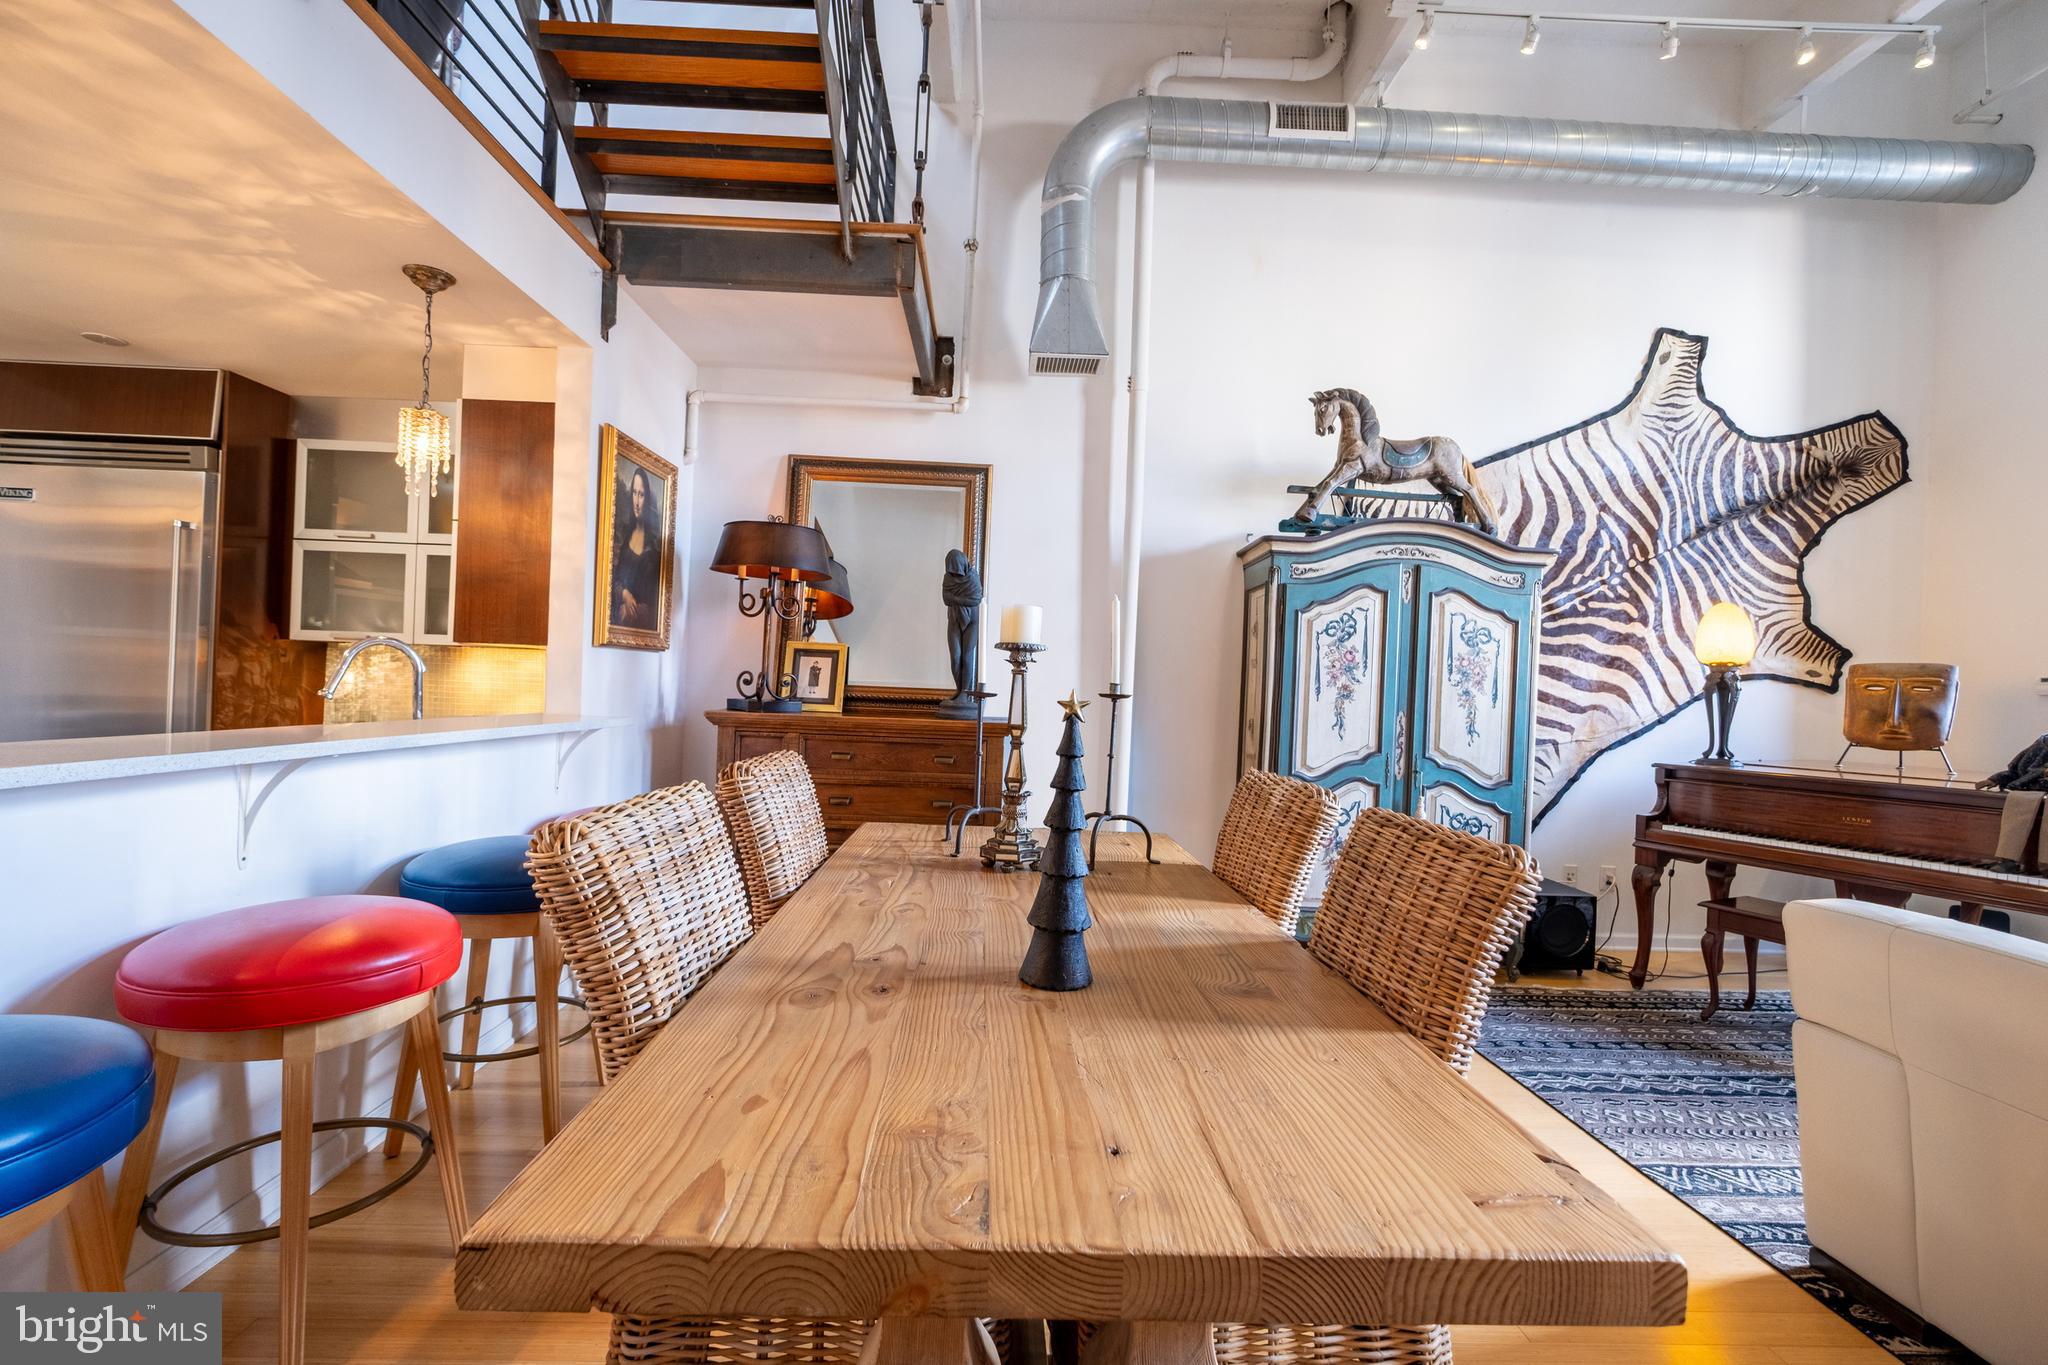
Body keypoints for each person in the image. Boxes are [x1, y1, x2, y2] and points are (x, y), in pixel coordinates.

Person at [611, 466, 662, 629]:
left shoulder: (654, 546)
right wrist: (624, 594)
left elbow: (656, 599)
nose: (637, 502)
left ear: (646, 499)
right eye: (634, 492)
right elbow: (614, 578)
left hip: (641, 624)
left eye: (641, 495)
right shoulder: (624, 536)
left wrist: (637, 610)